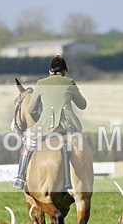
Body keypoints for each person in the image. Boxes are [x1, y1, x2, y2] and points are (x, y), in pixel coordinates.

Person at [13, 55, 87, 190]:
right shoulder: (70, 82)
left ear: (50, 71)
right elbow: (82, 105)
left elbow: (31, 109)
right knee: (82, 147)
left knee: (28, 142)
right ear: (65, 71)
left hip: (46, 127)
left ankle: (20, 177)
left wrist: (39, 120)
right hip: (70, 127)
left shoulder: (41, 83)